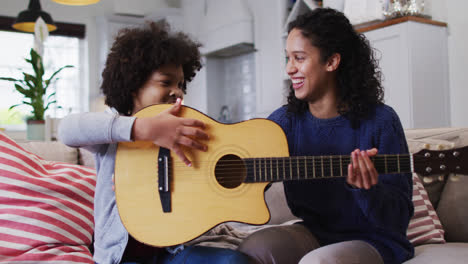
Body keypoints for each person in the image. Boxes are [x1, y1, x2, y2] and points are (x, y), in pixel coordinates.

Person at [58, 22, 252, 264]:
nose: (177, 91)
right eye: (166, 82)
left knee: (233, 261)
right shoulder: (112, 132)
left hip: (171, 252)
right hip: (120, 258)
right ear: (133, 85)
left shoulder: (182, 131)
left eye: (181, 84)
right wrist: (146, 128)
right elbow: (67, 130)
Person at [237, 8, 414, 264]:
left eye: (299, 58)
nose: (289, 68)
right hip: (314, 232)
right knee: (254, 247)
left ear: (331, 62)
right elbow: (239, 153)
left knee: (318, 262)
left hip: (375, 239)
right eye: (288, 58)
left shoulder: (381, 121)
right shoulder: (283, 122)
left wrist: (368, 191)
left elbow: (398, 220)